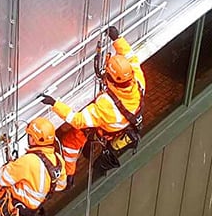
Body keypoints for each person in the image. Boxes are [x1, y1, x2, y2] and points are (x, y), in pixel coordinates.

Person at [39, 26, 145, 191]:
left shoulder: (106, 107)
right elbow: (130, 57)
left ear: (110, 78)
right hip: (116, 125)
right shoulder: (138, 82)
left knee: (71, 142)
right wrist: (117, 39)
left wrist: (55, 104)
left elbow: (78, 120)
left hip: (104, 127)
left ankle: (69, 175)